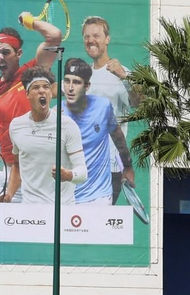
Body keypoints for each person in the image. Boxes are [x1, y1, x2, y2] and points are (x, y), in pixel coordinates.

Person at [0, 19, 61, 202]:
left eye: (5, 52)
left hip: (36, 175)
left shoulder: (33, 74)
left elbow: (55, 36)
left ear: (18, 54)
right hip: (7, 173)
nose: (0, 57)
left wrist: (30, 21)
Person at [8, 64, 87, 204]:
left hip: (62, 211)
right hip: (30, 213)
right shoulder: (16, 126)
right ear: (27, 94)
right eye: (36, 87)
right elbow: (17, 164)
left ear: (51, 93)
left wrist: (69, 175)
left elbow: (82, 173)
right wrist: (9, 194)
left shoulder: (67, 126)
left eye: (46, 87)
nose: (42, 91)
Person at [60, 58, 133, 205]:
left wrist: (127, 166)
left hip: (100, 195)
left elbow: (118, 137)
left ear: (87, 86)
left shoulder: (103, 106)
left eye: (77, 82)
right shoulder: (58, 114)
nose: (70, 88)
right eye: (67, 81)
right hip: (68, 195)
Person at [81, 16, 136, 200]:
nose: (91, 40)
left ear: (107, 39)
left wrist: (124, 77)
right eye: (87, 36)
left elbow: (139, 104)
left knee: (98, 224)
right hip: (83, 165)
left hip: (110, 168)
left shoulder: (123, 72)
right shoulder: (82, 77)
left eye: (96, 35)